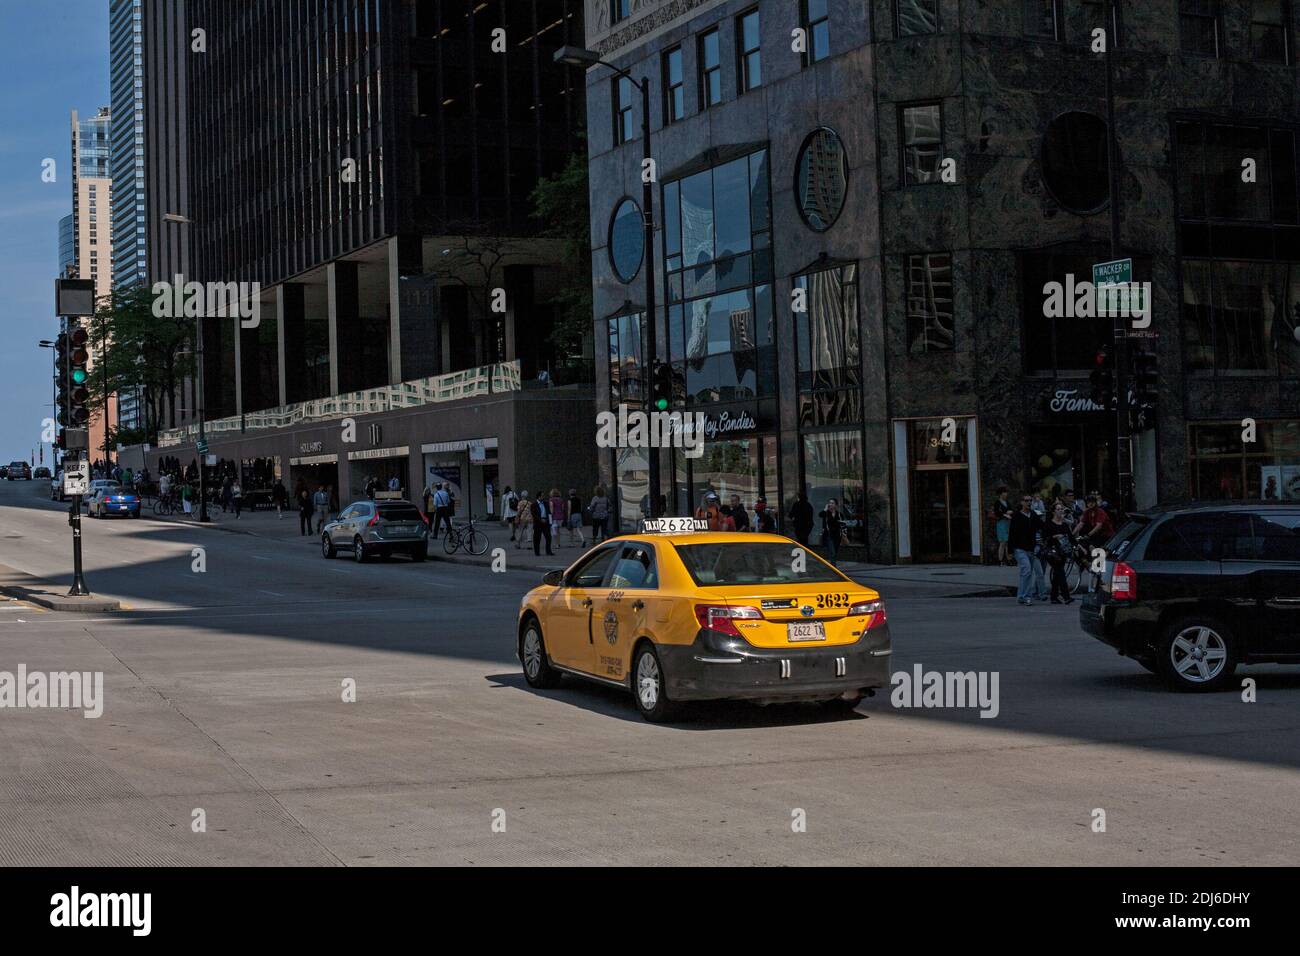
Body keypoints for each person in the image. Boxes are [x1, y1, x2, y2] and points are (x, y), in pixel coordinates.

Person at [1043, 502, 1077, 604]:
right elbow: (1045, 538)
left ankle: (1053, 597)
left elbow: (1071, 538)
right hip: (1052, 553)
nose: (1061, 511)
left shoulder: (1064, 525)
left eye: (1061, 509)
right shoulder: (1049, 524)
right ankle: (1066, 596)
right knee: (1060, 573)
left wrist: (1077, 546)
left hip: (1062, 552)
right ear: (1053, 512)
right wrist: (1054, 537)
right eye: (1058, 509)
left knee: (1058, 574)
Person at [818, 498, 846, 565]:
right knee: (832, 552)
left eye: (832, 503)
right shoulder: (826, 513)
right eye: (829, 503)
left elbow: (843, 525)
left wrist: (844, 534)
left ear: (836, 505)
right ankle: (834, 568)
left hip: (837, 536)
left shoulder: (839, 514)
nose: (830, 504)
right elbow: (820, 515)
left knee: (834, 552)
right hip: (828, 535)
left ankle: (832, 565)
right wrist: (825, 509)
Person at [990, 486, 1013, 566]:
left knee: (1008, 542)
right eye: (1004, 492)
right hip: (1001, 523)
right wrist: (1005, 514)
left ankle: (1009, 559)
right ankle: (1000, 560)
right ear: (1001, 493)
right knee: (1003, 542)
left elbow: (1011, 510)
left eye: (1006, 492)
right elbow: (997, 513)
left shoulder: (1007, 502)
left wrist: (1007, 513)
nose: (1006, 494)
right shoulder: (997, 502)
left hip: (1008, 522)